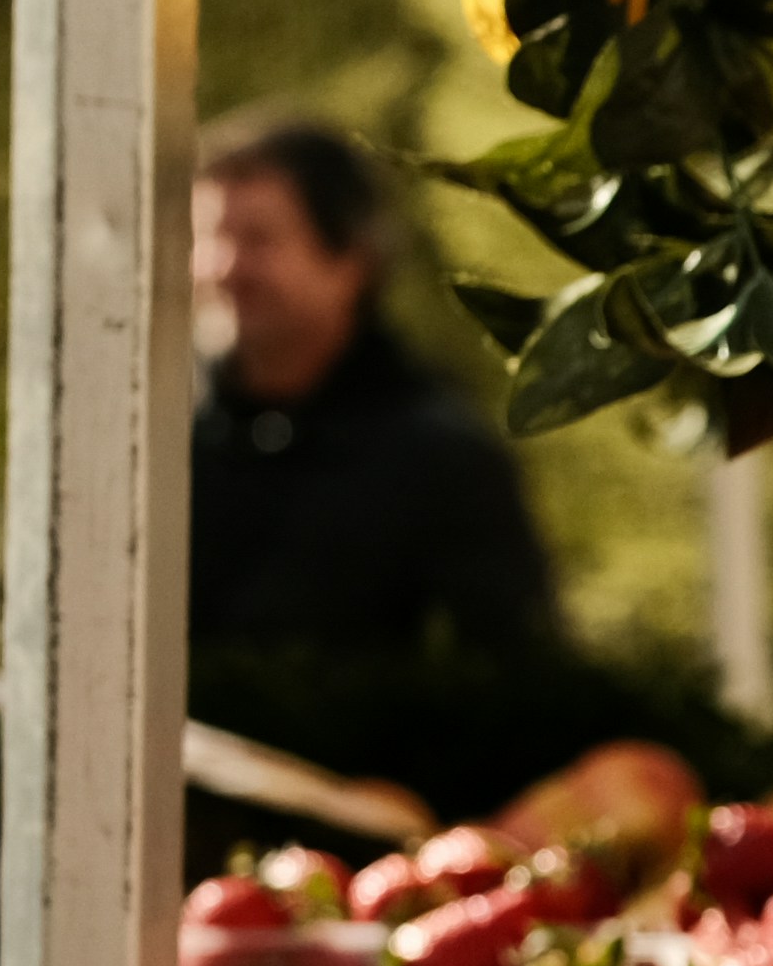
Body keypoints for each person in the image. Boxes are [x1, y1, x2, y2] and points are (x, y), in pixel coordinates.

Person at [183, 108, 568, 786]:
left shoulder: (444, 461)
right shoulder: (149, 444)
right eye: (211, 236)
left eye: (259, 240)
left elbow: (520, 690)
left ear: (351, 263)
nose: (225, 268)